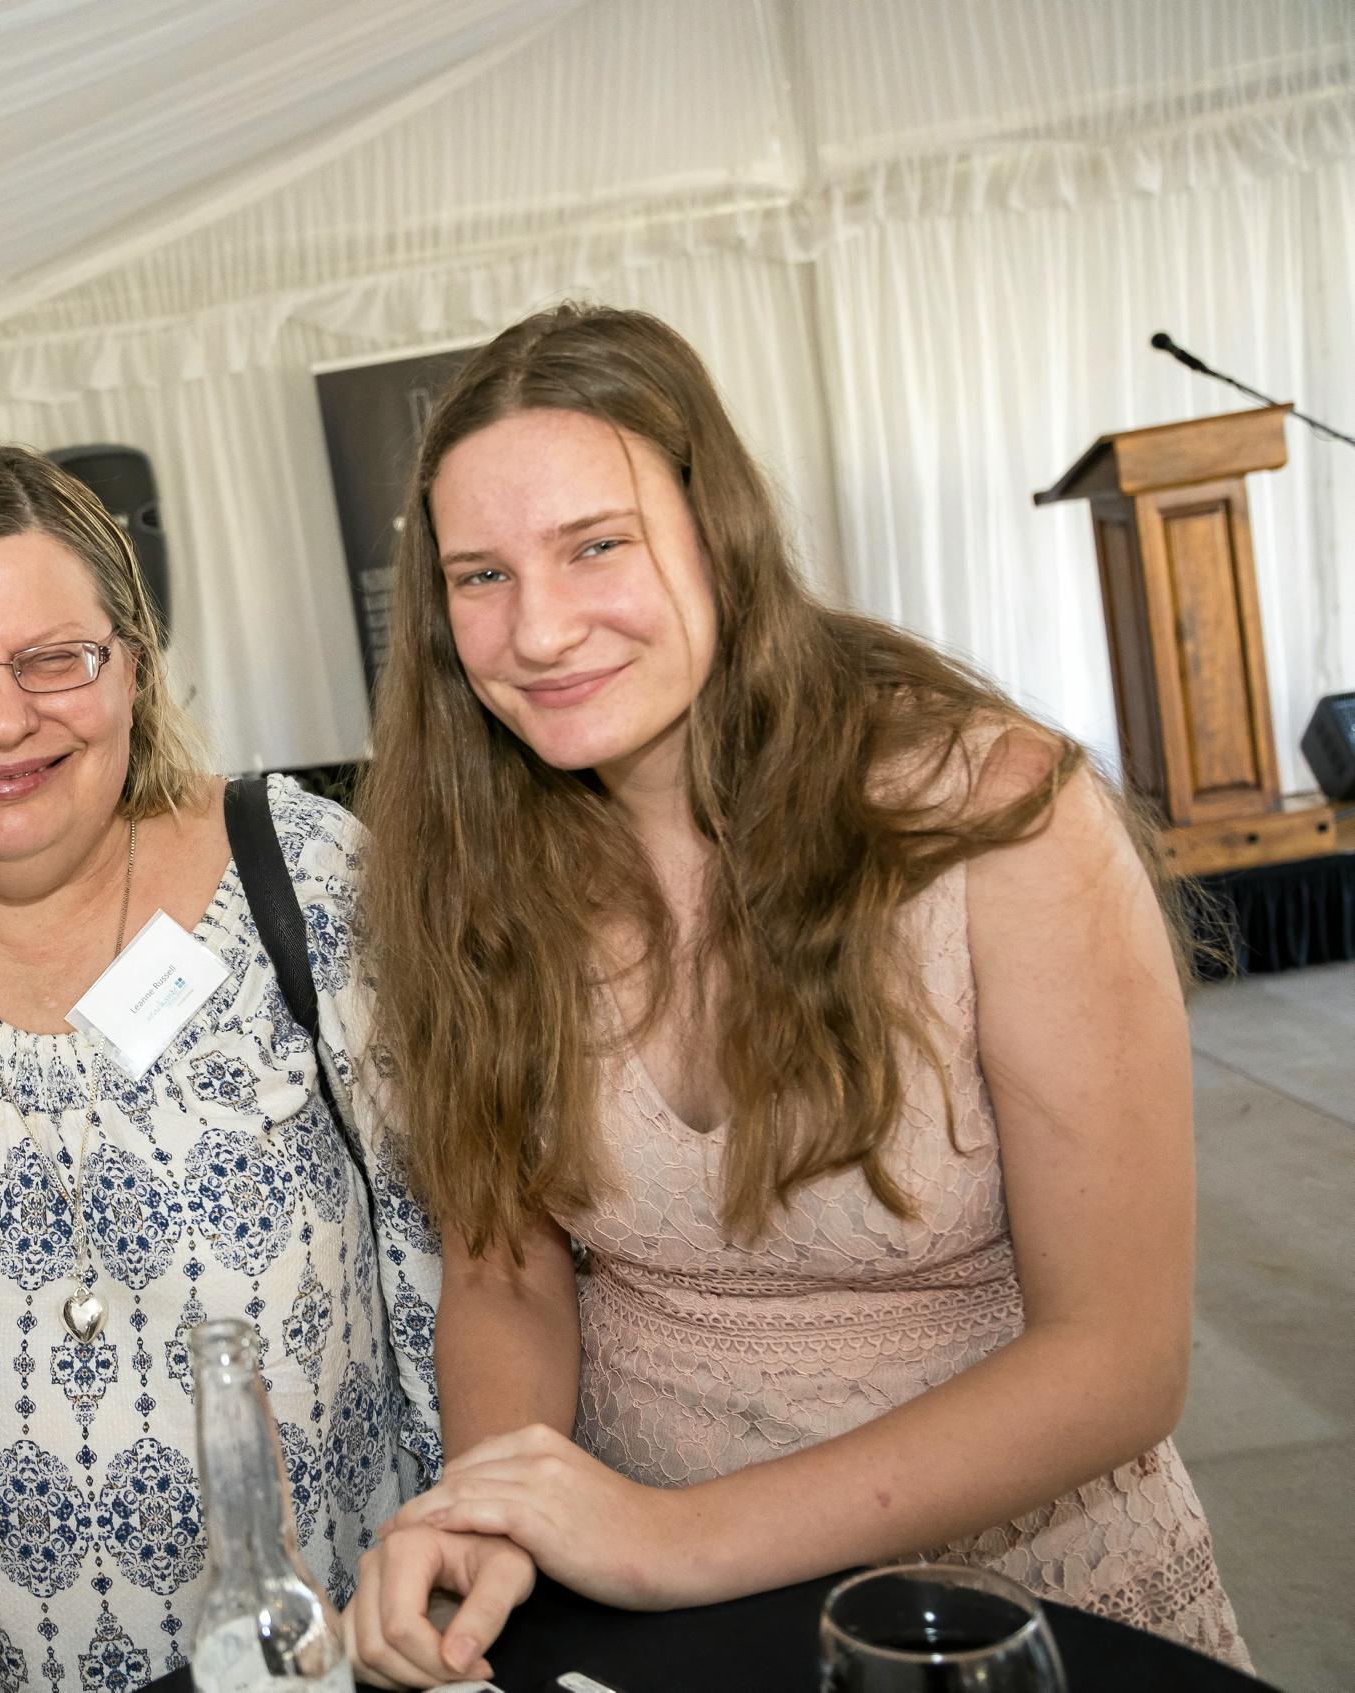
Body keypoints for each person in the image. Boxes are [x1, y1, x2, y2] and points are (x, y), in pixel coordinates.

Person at [342, 302, 1250, 1685]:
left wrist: (674, 1538)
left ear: (720, 534)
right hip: (670, 1628)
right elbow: (500, 1270)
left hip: (1014, 1610)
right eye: (478, 576)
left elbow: (1118, 1360)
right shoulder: (462, 865)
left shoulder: (994, 818)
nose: (535, 629)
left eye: (595, 545)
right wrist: (498, 1507)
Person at [0, 445, 443, 1691]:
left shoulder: (298, 875)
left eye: (55, 659)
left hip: (346, 1657)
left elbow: (460, 1263)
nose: (1, 717)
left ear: (131, 666)